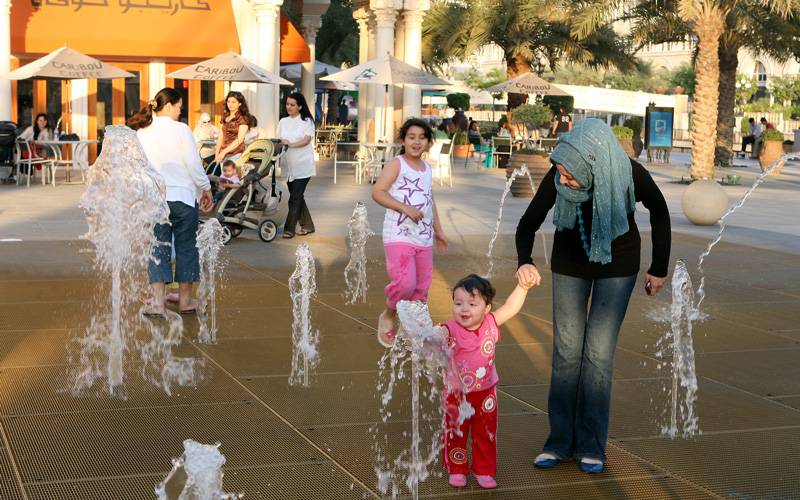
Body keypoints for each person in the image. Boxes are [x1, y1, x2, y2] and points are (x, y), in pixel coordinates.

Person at [515, 118, 671, 474]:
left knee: (598, 356)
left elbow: (660, 212)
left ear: (592, 164)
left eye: (571, 176)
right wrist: (525, 261)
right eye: (561, 175)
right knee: (567, 353)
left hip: (618, 266)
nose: (564, 181)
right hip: (570, 264)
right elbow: (528, 223)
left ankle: (591, 446)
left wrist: (658, 267)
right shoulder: (561, 169)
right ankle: (559, 443)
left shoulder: (627, 172)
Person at [442, 274, 533, 489]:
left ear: (486, 308)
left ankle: (484, 470)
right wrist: (422, 337)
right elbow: (435, 335)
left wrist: (523, 287)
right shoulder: (450, 329)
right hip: (457, 395)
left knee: (486, 434)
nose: (464, 309)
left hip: (486, 394)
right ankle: (457, 469)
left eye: (472, 304)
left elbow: (511, 307)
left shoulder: (491, 322)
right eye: (458, 303)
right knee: (456, 432)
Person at [129, 87, 213, 316]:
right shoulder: (181, 129)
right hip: (184, 197)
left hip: (156, 199)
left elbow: (137, 168)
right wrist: (205, 188)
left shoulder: (142, 131)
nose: (179, 112)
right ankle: (185, 301)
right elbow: (194, 164)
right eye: (179, 107)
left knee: (159, 248)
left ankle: (157, 304)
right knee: (187, 247)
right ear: (168, 106)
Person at [372, 118, 449, 346]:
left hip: (423, 236)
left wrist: (438, 230)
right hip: (399, 233)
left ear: (428, 141)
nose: (417, 142)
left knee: (421, 288)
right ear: (403, 140)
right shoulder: (397, 164)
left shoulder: (427, 168)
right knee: (405, 283)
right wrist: (404, 207)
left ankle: (411, 331)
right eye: (411, 137)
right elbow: (378, 192)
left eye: (422, 137)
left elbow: (429, 200)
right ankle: (388, 314)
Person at [277, 92, 316, 239]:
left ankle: (289, 229)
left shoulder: (307, 122)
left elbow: (306, 140)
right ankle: (307, 225)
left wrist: (291, 144)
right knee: (297, 197)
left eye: (292, 105)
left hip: (302, 164)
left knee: (294, 197)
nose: (289, 107)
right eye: (287, 104)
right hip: (288, 165)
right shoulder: (283, 122)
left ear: (300, 106)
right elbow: (279, 141)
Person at [213, 91, 252, 174]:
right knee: (223, 180)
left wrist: (223, 152)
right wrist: (217, 152)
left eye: (233, 102)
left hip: (236, 153)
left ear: (240, 103)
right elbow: (221, 136)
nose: (230, 104)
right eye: (228, 101)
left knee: (232, 180)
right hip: (223, 154)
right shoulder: (224, 116)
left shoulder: (243, 118)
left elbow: (239, 139)